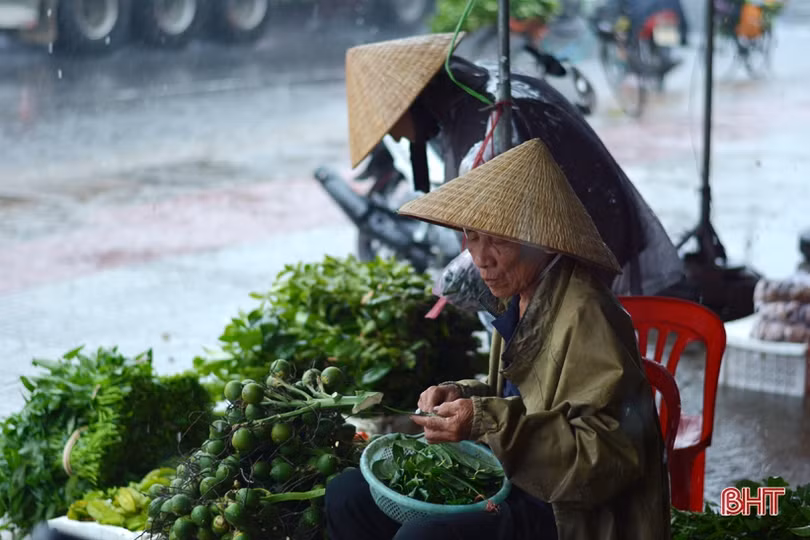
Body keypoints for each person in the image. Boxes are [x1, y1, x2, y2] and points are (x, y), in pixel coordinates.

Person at [325, 139, 671, 540]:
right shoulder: (520, 296)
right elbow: (518, 398)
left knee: (422, 538)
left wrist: (486, 421)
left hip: (564, 512)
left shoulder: (586, 314)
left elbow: (608, 454)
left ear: (541, 239)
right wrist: (462, 396)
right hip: (512, 477)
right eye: (472, 236)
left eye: (499, 240)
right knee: (346, 494)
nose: (481, 258)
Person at [345, 33, 683, 298]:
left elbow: (513, 231)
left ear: (411, 104)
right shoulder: (475, 94)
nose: (397, 138)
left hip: (584, 252)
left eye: (391, 125)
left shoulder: (491, 124)